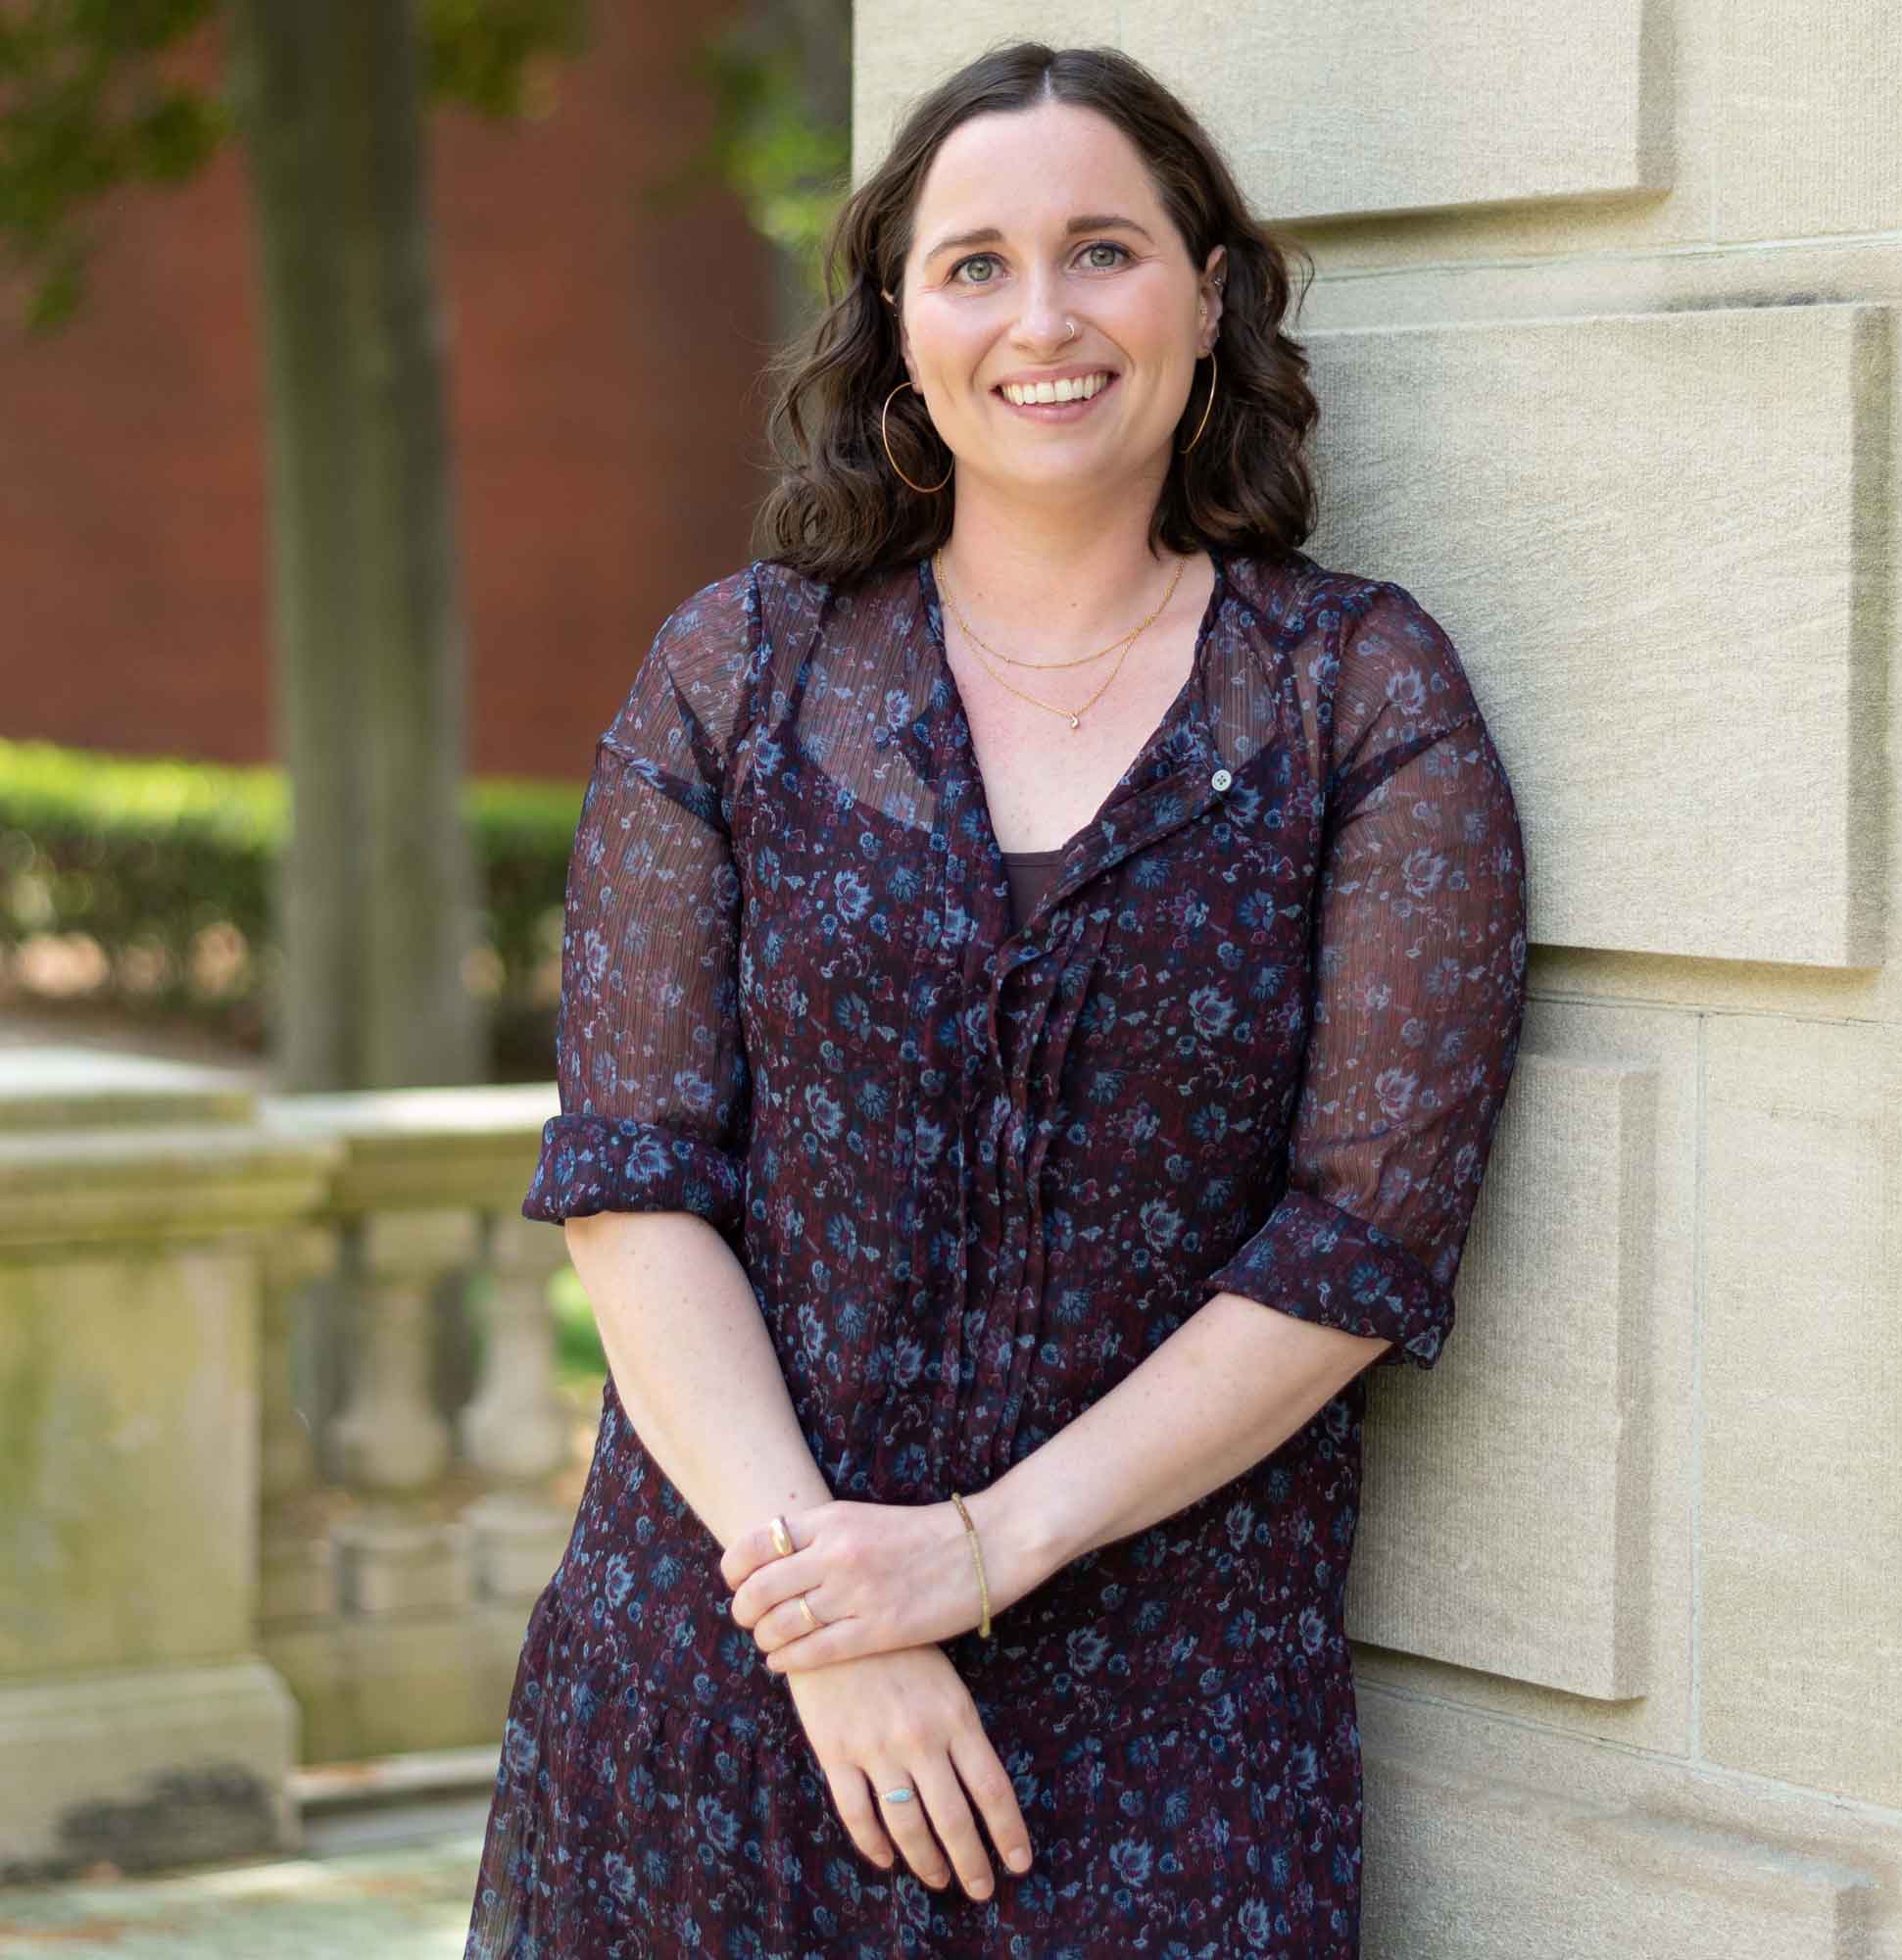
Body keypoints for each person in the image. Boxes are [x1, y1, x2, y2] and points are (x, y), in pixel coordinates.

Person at [465, 37, 1528, 1960]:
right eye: (973, 263)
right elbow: (634, 1181)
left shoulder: (1356, 693)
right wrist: (833, 1617)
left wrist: (973, 1551)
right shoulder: (733, 674)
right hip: (715, 1674)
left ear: (1205, 295)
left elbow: (1363, 1230)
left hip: (1164, 1710)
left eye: (1101, 249)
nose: (1041, 317)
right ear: (896, 318)